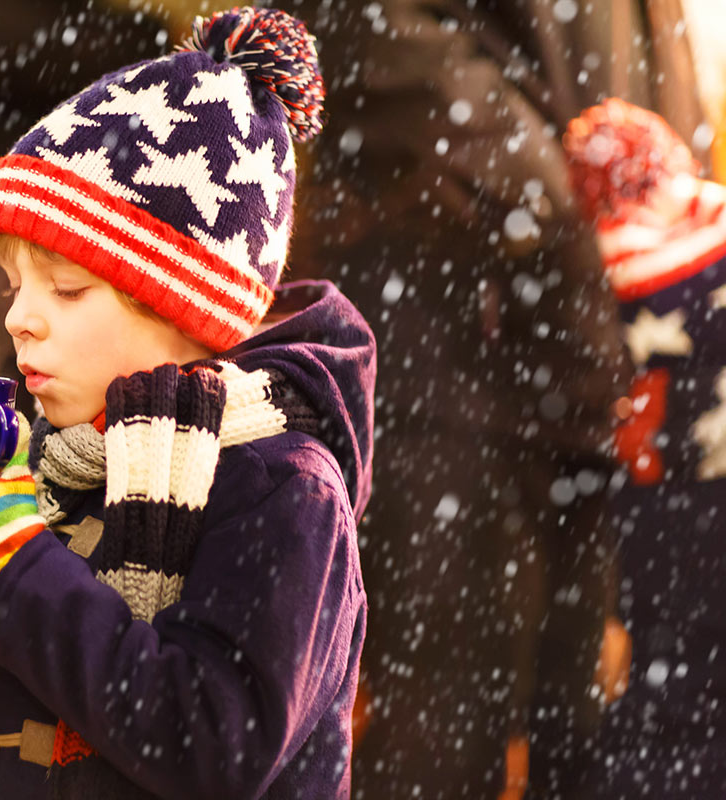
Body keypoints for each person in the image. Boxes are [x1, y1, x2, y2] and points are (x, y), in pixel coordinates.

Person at [0, 8, 376, 798]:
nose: (19, 316)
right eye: (15, 284)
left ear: (185, 306)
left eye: (66, 288)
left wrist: (9, 568)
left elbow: (211, 747)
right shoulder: (59, 452)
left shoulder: (282, 488)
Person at [265, 1, 708, 796]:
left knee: (582, 728)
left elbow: (654, 78)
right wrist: (564, 214)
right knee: (442, 727)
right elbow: (376, 39)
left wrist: (671, 250)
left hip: (599, 373)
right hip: (448, 354)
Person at [564, 98, 726, 799]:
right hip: (691, 511)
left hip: (654, 520)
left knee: (669, 693)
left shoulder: (601, 280)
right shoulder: (715, 229)